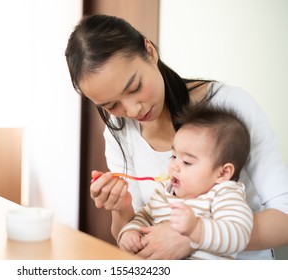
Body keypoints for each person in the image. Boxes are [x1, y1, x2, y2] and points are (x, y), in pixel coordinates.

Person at [65, 14, 288, 259]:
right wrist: (121, 209)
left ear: (149, 52)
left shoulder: (229, 107)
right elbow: (134, 233)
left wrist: (195, 238)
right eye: (110, 105)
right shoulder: (119, 132)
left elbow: (285, 218)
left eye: (135, 87)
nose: (132, 110)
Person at [117, 106, 253, 259]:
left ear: (222, 173)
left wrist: (197, 229)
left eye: (187, 162)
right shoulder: (165, 191)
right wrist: (131, 232)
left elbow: (238, 235)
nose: (174, 166)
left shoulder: (225, 194)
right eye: (173, 156)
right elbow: (144, 217)